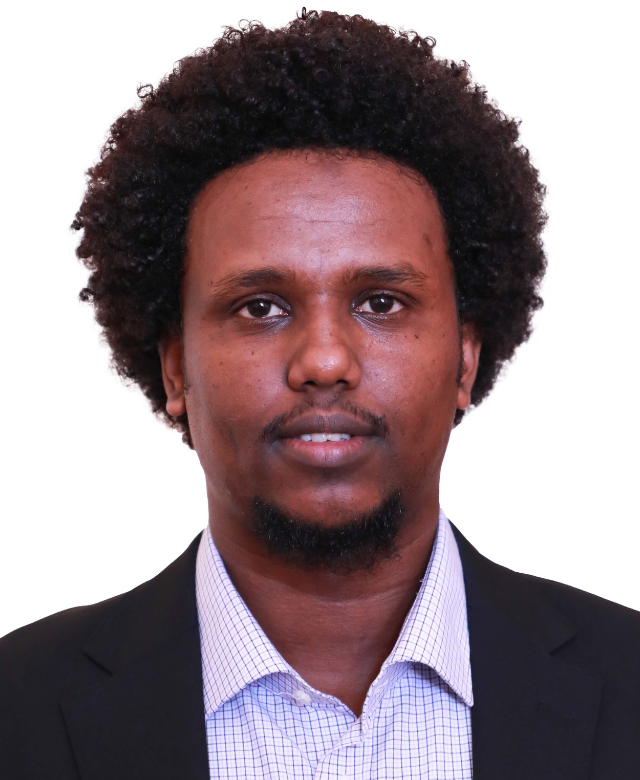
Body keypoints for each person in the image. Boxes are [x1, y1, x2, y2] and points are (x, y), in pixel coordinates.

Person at [1, 10, 638, 779]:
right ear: (175, 371)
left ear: (466, 360)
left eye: (381, 302)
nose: (325, 360)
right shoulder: (19, 709)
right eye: (260, 306)